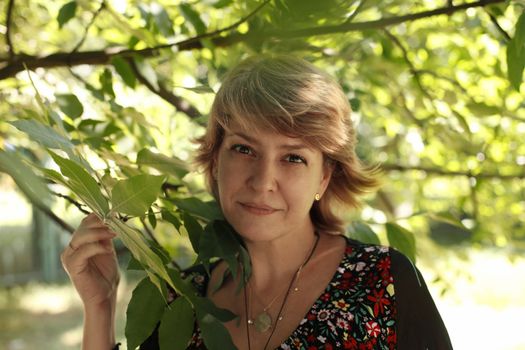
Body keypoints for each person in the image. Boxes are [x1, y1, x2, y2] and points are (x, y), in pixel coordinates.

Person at [61, 55, 453, 350]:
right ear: (216, 160)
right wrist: (100, 305)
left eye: (294, 157)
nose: (263, 181)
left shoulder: (384, 282)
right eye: (244, 148)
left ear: (325, 176)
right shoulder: (183, 299)